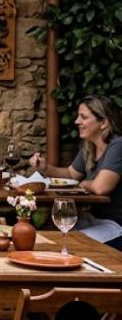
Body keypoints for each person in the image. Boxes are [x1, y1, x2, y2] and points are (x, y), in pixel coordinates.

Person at [29, 95, 122, 248]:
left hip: (114, 225)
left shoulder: (118, 145)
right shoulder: (89, 147)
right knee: (45, 236)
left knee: (65, 244)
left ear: (103, 122)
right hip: (91, 218)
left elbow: (101, 187)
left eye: (83, 117)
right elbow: (71, 174)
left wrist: (85, 183)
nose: (77, 121)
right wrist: (45, 168)